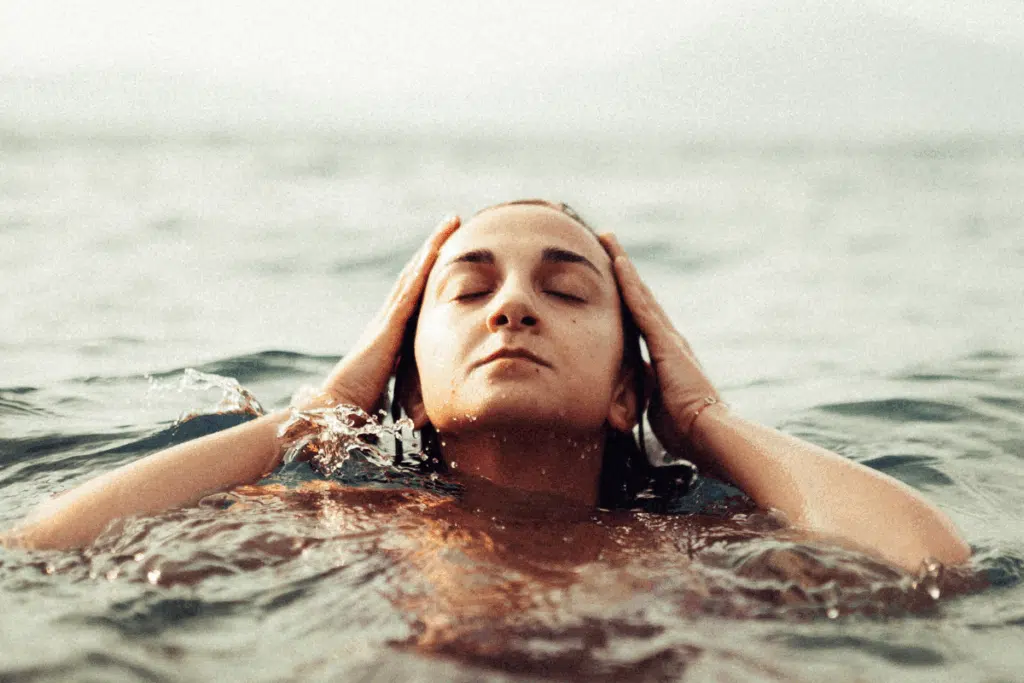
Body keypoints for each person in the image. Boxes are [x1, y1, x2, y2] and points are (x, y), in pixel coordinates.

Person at [3, 200, 971, 573]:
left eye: (565, 290)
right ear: (413, 387)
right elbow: (44, 552)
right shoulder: (338, 522)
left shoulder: (699, 539)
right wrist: (313, 413)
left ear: (626, 392)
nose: (512, 307)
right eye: (468, 291)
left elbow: (929, 568)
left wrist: (704, 418)